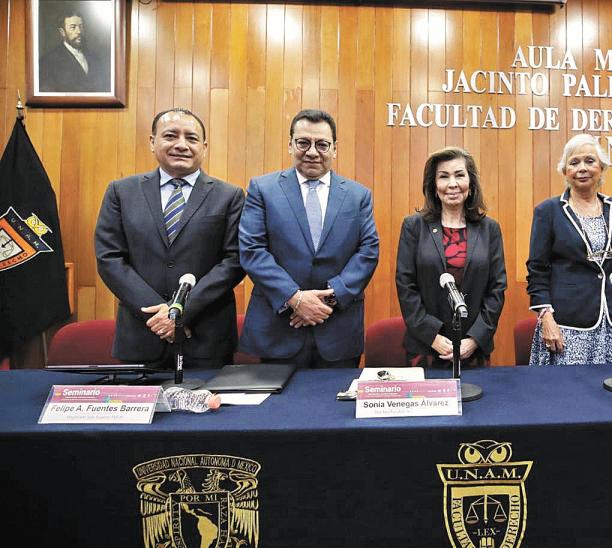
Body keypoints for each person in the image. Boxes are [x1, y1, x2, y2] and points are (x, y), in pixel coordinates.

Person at [95, 108, 245, 368]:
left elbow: (235, 261)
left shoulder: (230, 196)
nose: (181, 145)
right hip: (142, 334)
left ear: (204, 147)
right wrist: (159, 312)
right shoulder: (121, 192)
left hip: (206, 338)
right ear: (152, 142)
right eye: (171, 136)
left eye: (191, 138)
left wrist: (180, 311)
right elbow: (110, 258)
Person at [239, 109, 379, 368]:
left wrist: (329, 296)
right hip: (279, 328)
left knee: (337, 407)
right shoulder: (263, 189)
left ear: (334, 149)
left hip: (337, 328)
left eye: (322, 144)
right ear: (290, 144)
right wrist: (295, 298)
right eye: (303, 142)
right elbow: (252, 249)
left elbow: (368, 250)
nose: (312, 151)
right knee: (277, 409)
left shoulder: (358, 196)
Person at [526, 133, 612, 365]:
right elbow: (537, 269)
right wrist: (546, 317)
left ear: (602, 167)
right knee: (572, 395)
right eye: (574, 163)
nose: (582, 168)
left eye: (589, 161)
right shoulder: (548, 211)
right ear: (565, 172)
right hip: (568, 325)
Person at [396, 147, 506, 368]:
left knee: (476, 402)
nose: (452, 184)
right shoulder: (414, 226)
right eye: (443, 176)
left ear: (470, 183)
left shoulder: (489, 229)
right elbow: (406, 286)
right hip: (425, 348)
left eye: (459, 175)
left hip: (472, 351)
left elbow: (497, 289)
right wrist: (433, 337)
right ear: (434, 186)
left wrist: (475, 339)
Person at [39, 10, 109, 93]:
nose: (79, 31)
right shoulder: (49, 61)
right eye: (73, 27)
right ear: (62, 32)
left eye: (81, 26)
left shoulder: (94, 59)